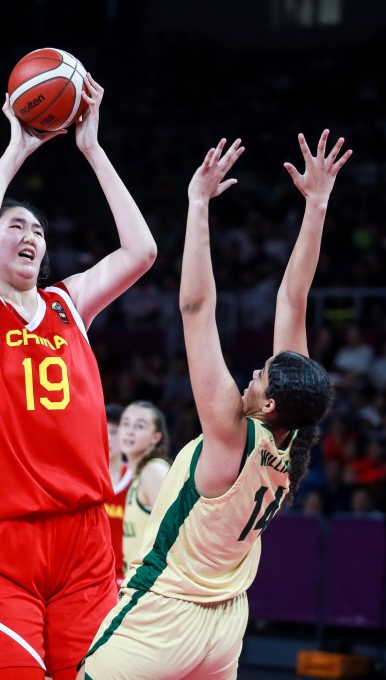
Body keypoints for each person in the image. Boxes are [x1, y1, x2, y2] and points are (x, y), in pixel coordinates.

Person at [80, 130, 350, 680]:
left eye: (260, 376)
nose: (253, 372)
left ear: (268, 403)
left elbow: (196, 306)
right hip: (227, 622)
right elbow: (292, 298)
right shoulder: (294, 435)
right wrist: (316, 206)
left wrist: (197, 205)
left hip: (166, 612)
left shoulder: (233, 432)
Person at [0, 75, 156, 680]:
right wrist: (18, 145)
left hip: (83, 535)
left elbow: (141, 252)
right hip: (0, 540)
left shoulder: (67, 305)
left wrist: (93, 149)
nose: (32, 236)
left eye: (38, 231)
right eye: (17, 227)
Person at [118, 400, 171, 579]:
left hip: (154, 588)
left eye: (139, 426)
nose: (130, 430)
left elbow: (175, 533)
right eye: (125, 423)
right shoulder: (137, 477)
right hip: (137, 584)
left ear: (156, 438)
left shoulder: (154, 471)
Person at [103, 403, 133, 588]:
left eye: (113, 432)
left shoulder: (138, 479)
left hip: (126, 577)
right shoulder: (81, 479)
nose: (107, 438)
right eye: (102, 430)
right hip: (89, 577)